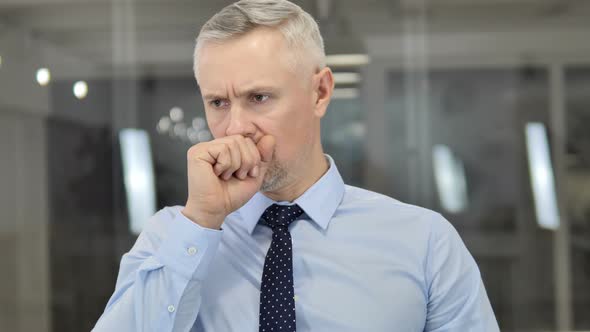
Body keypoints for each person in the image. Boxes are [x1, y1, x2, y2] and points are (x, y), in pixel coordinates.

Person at [94, 0, 500, 331]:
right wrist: (202, 221)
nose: (235, 127)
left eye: (259, 98)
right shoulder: (171, 237)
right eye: (218, 102)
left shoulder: (424, 243)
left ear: (320, 92)